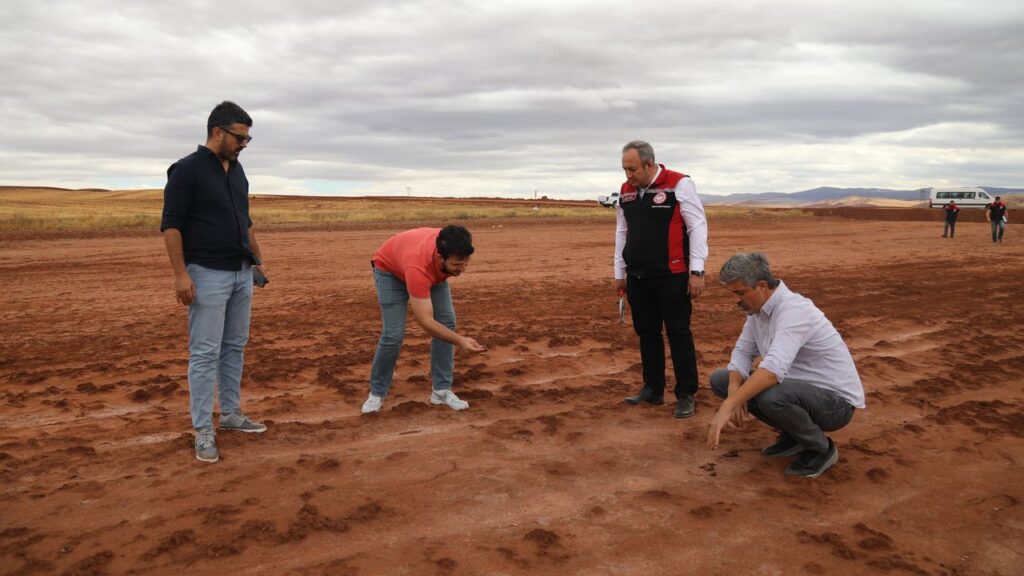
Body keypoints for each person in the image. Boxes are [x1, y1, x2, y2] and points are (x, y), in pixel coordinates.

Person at [160, 101, 267, 464]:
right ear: (217, 132)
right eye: (240, 137)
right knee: (205, 353)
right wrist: (180, 274)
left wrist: (257, 260)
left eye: (247, 139)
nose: (243, 144)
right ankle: (203, 427)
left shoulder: (237, 171)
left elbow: (245, 220)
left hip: (241, 271)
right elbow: (171, 225)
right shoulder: (186, 170)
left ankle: (232, 414)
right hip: (206, 273)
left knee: (234, 345)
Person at [706, 252, 865, 478]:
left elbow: (771, 372)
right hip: (798, 389)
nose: (737, 301)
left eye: (741, 293)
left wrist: (728, 406)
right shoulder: (757, 311)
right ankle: (795, 436)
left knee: (772, 396)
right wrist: (733, 391)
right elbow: (742, 352)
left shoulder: (794, 310)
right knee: (722, 380)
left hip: (835, 404)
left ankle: (821, 449)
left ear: (762, 286)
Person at [614, 140, 708, 419]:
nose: (628, 175)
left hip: (673, 275)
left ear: (650, 165)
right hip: (638, 276)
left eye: (632, 169)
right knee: (647, 333)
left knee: (678, 333)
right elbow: (622, 232)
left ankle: (686, 393)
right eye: (624, 169)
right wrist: (619, 273)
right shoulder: (626, 192)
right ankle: (653, 388)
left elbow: (697, 226)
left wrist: (697, 271)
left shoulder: (679, 184)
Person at [361, 225, 486, 414]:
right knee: (393, 334)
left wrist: (452, 267)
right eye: (457, 266)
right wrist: (460, 340)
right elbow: (426, 322)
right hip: (389, 272)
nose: (462, 270)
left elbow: (450, 264)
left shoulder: (450, 241)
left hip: (430, 271)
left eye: (465, 263)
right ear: (440, 257)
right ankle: (377, 393)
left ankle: (441, 391)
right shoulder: (418, 266)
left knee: (447, 322)